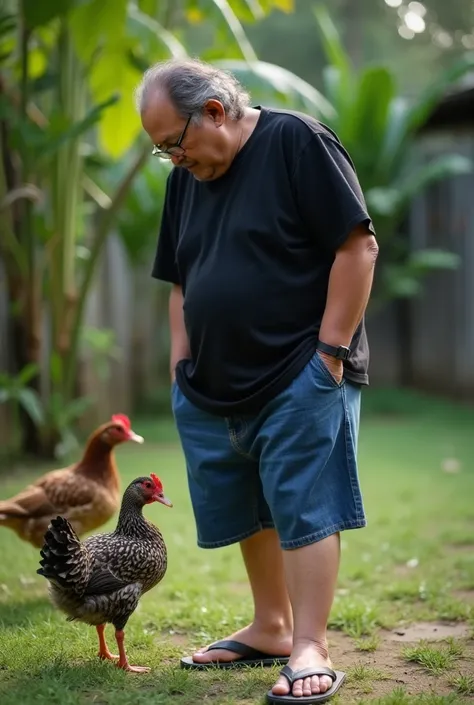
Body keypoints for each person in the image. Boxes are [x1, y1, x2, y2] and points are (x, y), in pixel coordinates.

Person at [135, 58, 379, 704]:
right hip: (214, 382)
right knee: (252, 503)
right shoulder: (186, 180)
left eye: (174, 144)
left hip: (301, 363)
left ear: (214, 110)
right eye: (163, 151)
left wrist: (328, 354)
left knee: (303, 503)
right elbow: (181, 280)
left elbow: (356, 248)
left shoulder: (297, 142)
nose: (174, 159)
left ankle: (310, 644)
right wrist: (180, 368)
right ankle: (271, 626)